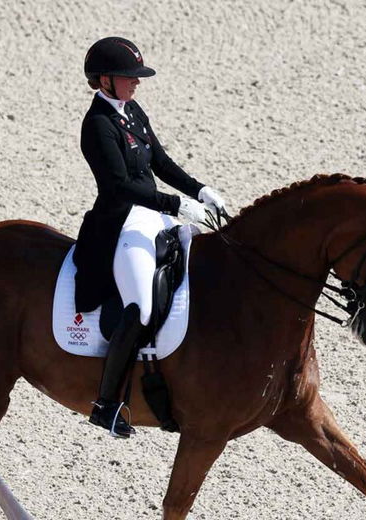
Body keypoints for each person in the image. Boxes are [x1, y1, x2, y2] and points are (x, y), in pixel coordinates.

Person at [75, 36, 227, 438]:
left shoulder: (131, 111)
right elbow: (120, 185)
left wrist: (200, 190)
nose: (137, 83)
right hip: (122, 224)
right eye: (129, 77)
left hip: (154, 216)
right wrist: (175, 205)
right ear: (104, 80)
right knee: (140, 307)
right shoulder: (97, 126)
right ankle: (106, 404)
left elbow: (159, 161)